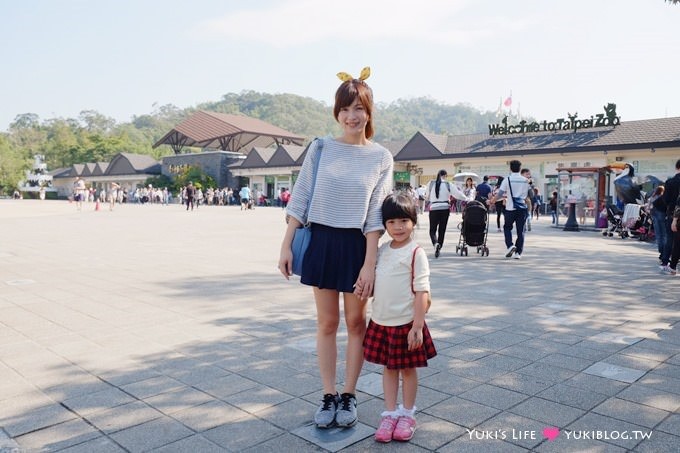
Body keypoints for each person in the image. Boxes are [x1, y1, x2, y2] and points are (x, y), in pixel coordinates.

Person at [278, 67, 393, 428]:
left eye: (358, 108)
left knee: (356, 323)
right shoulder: (321, 148)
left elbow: (377, 215)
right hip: (322, 241)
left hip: (357, 245)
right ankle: (328, 395)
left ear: (369, 112)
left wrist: (370, 263)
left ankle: (349, 396)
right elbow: (302, 196)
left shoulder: (381, 157)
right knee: (327, 322)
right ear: (336, 112)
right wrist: (285, 246)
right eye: (344, 109)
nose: (351, 116)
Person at [365, 192, 436, 443]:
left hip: (406, 323)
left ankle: (407, 414)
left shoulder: (416, 253)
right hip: (381, 321)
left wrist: (417, 326)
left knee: (407, 370)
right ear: (384, 225)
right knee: (388, 368)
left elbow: (422, 290)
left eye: (404, 221)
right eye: (392, 222)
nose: (398, 227)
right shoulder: (382, 251)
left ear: (413, 222)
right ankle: (390, 413)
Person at [490, 160, 530, 259]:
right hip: (522, 208)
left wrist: (492, 201)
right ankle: (518, 253)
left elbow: (500, 194)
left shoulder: (507, 180)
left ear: (510, 168)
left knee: (507, 227)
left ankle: (510, 245)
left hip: (510, 208)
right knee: (521, 231)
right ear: (520, 169)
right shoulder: (525, 180)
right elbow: (529, 195)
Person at [426, 170, 453, 258]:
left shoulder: (431, 183)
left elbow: (427, 196)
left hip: (434, 208)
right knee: (442, 230)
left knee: (432, 230)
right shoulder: (448, 184)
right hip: (445, 208)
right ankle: (439, 246)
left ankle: (435, 244)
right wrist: (467, 199)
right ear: (445, 175)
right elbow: (457, 194)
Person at [660, 159, 680, 274]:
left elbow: (666, 199)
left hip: (673, 213)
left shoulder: (670, 182)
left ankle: (665, 262)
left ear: (677, 167)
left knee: (670, 239)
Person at [647, 185, 667, 264]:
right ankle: (664, 252)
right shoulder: (663, 197)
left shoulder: (652, 198)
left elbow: (648, 208)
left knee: (658, 235)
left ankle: (661, 251)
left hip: (654, 216)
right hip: (662, 215)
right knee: (664, 234)